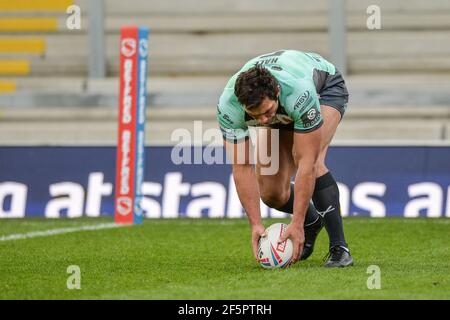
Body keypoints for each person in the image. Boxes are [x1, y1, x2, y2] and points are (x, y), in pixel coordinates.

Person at [217, 50, 353, 268]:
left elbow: (306, 164)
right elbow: (241, 166)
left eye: (267, 111)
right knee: (272, 193)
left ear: (276, 92)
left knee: (313, 161)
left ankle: (339, 248)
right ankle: (312, 221)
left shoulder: (298, 91)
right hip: (285, 106)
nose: (262, 120)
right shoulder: (228, 107)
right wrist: (255, 224)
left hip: (324, 90)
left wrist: (295, 222)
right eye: (255, 116)